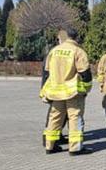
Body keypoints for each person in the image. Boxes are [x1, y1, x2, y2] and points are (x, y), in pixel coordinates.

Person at [40, 28, 93, 156]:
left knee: (55, 118)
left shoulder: (54, 51)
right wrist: (86, 89)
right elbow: (85, 74)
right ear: (76, 38)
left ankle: (50, 146)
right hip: (72, 92)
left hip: (56, 91)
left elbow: (46, 72)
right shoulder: (78, 51)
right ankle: (75, 148)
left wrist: (45, 90)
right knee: (75, 118)